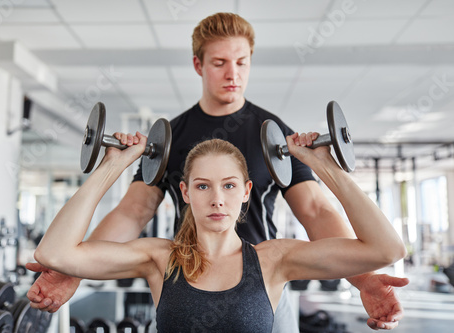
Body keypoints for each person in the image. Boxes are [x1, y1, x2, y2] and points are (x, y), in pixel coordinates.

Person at [27, 12, 409, 331]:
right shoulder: (173, 135)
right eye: (220, 62)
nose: (233, 73)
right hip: (188, 276)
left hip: (266, 281)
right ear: (198, 64)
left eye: (242, 62)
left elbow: (316, 211)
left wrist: (363, 277)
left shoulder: (272, 132)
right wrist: (73, 270)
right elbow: (132, 211)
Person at [32, 135, 407, 333]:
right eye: (202, 186)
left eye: (229, 186)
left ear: (246, 192)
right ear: (184, 192)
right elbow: (56, 253)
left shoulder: (274, 260)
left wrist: (324, 165)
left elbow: (386, 248)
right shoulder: (158, 258)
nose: (216, 199)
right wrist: (112, 165)